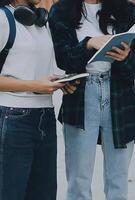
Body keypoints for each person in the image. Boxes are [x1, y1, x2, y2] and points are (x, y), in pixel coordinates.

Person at [48, 0, 135, 199]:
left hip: (120, 97)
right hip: (81, 95)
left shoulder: (127, 10)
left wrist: (125, 57)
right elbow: (64, 59)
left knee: (117, 181)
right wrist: (89, 43)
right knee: (79, 181)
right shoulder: (61, 10)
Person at [0, 0, 76, 199]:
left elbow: (32, 68)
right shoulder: (3, 19)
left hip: (45, 115)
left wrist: (59, 82)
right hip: (13, 118)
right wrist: (35, 86)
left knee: (43, 194)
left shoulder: (40, 22)